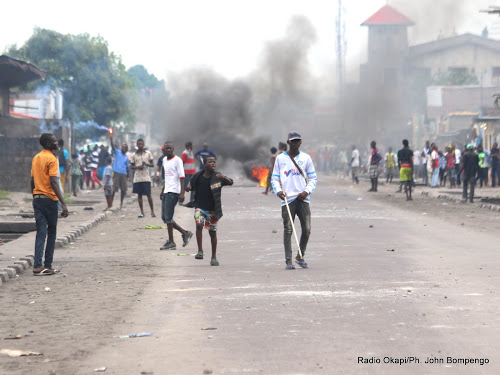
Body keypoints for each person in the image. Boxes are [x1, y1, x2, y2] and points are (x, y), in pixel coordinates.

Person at [271, 131, 318, 270]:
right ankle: (288, 260)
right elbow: (274, 178)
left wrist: (306, 191)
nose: (295, 143)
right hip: (287, 200)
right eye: (293, 141)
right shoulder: (280, 159)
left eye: (298, 141)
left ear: (300, 143)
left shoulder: (306, 158)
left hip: (303, 199)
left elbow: (313, 178)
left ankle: (300, 255)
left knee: (307, 229)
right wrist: (278, 191)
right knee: (288, 230)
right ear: (288, 142)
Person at [31, 133, 69, 276]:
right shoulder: (51, 159)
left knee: (41, 232)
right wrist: (63, 203)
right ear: (48, 144)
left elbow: (32, 180)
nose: (56, 144)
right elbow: (54, 182)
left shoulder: (36, 158)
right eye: (53, 142)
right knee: (51, 232)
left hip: (37, 198)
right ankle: (47, 265)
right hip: (49, 199)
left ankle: (37, 265)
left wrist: (34, 196)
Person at [186, 156, 233, 266]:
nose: (213, 163)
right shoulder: (197, 176)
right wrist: (188, 188)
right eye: (210, 162)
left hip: (212, 210)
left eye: (214, 162)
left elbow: (230, 182)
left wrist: (223, 177)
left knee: (212, 232)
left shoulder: (217, 176)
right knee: (199, 225)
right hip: (200, 207)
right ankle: (200, 251)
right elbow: (190, 184)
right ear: (205, 164)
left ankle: (213, 257)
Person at [159, 142, 193, 250]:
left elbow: (182, 177)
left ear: (173, 149)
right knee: (164, 217)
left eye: (170, 148)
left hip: (174, 192)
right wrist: (162, 190)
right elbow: (167, 177)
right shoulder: (164, 160)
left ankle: (171, 242)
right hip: (166, 191)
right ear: (164, 149)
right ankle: (185, 233)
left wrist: (182, 193)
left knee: (168, 218)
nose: (168, 150)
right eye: (166, 148)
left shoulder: (177, 160)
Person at [130, 139, 155, 218]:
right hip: (137, 178)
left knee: (148, 195)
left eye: (141, 144)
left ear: (143, 145)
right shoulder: (133, 155)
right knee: (139, 195)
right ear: (137, 145)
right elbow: (131, 166)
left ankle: (152, 212)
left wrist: (146, 164)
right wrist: (137, 167)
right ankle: (142, 212)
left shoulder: (148, 153)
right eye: (139, 144)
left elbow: (152, 165)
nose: (140, 145)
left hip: (146, 177)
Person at [109, 132, 130, 209]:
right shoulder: (117, 152)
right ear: (121, 148)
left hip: (124, 174)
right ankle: (110, 203)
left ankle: (121, 203)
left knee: (123, 189)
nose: (124, 149)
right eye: (123, 147)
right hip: (116, 173)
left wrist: (128, 176)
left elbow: (127, 167)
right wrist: (111, 139)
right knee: (114, 189)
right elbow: (112, 147)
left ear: (127, 150)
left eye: (125, 148)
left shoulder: (126, 157)